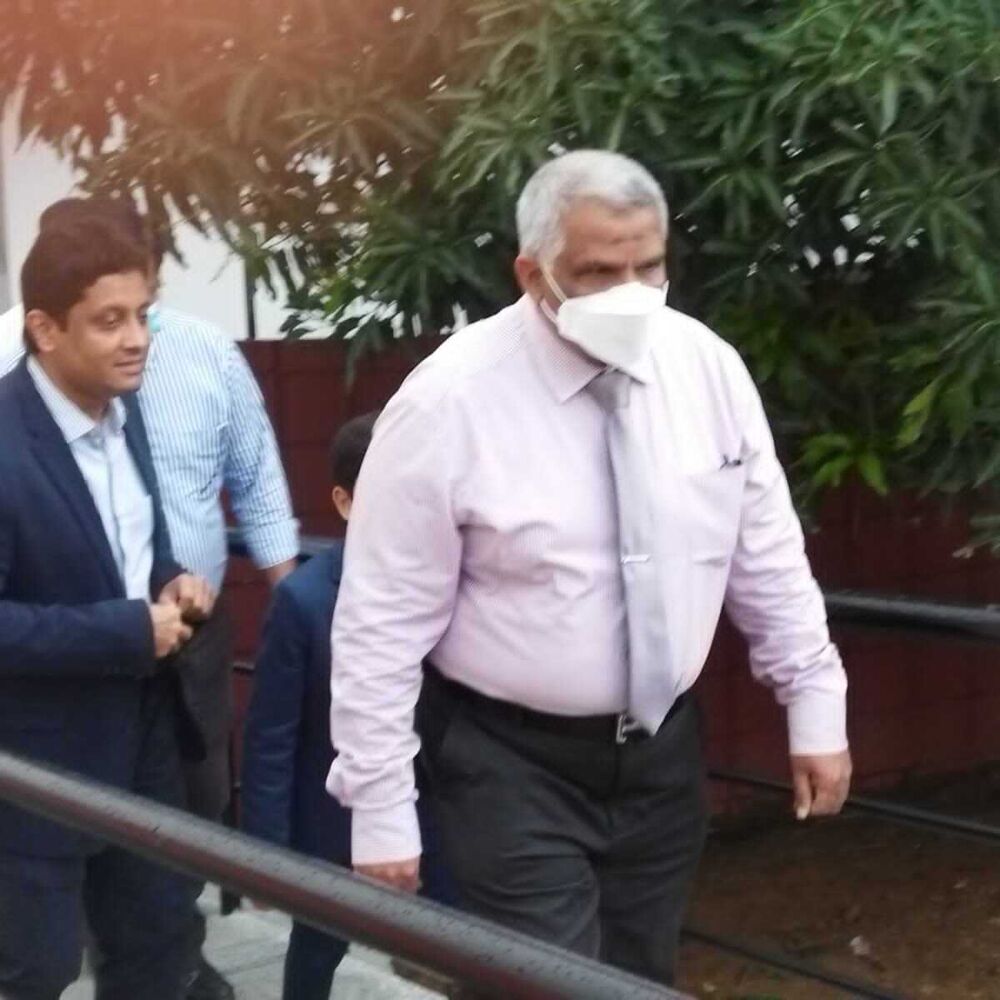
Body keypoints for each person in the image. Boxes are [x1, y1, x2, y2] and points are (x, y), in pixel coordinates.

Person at [327, 149, 853, 985]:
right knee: (548, 985)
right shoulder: (447, 403)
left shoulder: (706, 369)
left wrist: (814, 702)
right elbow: (381, 619)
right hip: (509, 764)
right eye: (600, 272)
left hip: (662, 758)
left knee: (639, 978)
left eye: (650, 267)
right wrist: (380, 807)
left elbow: (764, 552)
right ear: (532, 273)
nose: (631, 293)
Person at [0, 197, 299, 1000]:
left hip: (147, 740)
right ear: (45, 329)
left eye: (143, 315)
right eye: (110, 321)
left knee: (158, 952)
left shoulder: (122, 414)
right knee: (36, 971)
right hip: (36, 765)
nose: (137, 339)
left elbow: (130, 543)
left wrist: (171, 577)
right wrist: (128, 630)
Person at [242, 412, 454, 1000]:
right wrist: (263, 850)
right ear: (343, 501)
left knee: (470, 943)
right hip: (331, 820)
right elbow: (271, 737)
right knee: (318, 948)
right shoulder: (302, 600)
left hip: (440, 810)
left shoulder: (449, 582)